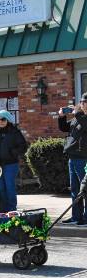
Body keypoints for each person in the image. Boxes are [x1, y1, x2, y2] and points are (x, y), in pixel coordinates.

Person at [0, 110, 27, 212]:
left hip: (10, 165)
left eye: (3, 119)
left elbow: (23, 146)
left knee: (10, 188)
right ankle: (4, 210)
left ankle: (12, 209)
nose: (0, 121)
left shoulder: (14, 132)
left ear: (8, 120)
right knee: (1, 188)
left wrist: (12, 152)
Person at [58, 94, 87, 225]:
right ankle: (76, 216)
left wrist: (77, 114)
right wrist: (61, 117)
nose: (84, 104)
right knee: (75, 189)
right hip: (73, 157)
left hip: (83, 158)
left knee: (84, 189)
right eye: (82, 101)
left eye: (86, 102)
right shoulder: (78, 118)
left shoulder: (82, 118)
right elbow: (64, 128)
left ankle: (86, 217)